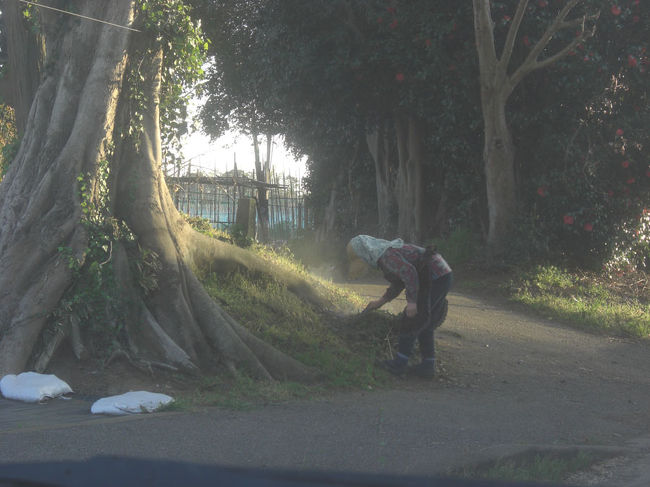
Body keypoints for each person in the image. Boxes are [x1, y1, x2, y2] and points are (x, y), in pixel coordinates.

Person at [346, 235, 452, 378]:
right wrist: (381, 302)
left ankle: (399, 364)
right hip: (441, 274)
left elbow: (409, 273)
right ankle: (428, 366)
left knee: (412, 319)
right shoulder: (384, 254)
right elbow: (400, 281)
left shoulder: (386, 256)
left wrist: (412, 302)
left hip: (435, 276)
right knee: (425, 322)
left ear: (364, 251)